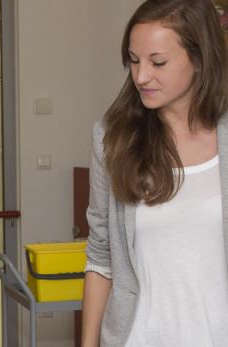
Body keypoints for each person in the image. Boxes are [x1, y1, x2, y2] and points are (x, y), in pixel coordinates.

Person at [82, 0, 228, 345]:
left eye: (157, 62)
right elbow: (100, 255)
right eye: (133, 61)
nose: (141, 76)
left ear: (199, 58)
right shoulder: (112, 137)